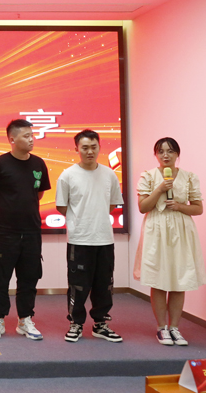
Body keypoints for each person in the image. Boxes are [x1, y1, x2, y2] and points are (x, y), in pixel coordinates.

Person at [134, 137, 205, 346]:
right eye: (161, 151)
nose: (165, 155)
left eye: (170, 151)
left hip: (181, 230)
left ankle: (175, 327)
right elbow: (143, 207)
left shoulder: (189, 177)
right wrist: (159, 189)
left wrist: (180, 206)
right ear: (156, 154)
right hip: (156, 229)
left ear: (177, 154)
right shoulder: (148, 176)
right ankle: (161, 328)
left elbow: (198, 208)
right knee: (159, 279)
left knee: (179, 279)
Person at [0, 119, 50, 341]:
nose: (31, 139)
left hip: (31, 230)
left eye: (32, 135)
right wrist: (6, 206)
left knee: (29, 277)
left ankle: (25, 319)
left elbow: (38, 193)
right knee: (0, 277)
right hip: (4, 231)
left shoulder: (39, 164)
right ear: (12, 139)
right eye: (26, 136)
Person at [55, 130, 124, 343]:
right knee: (78, 284)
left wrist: (96, 216)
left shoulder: (109, 174)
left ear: (99, 147)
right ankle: (76, 323)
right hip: (79, 239)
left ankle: (100, 324)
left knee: (104, 284)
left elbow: (112, 204)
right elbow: (62, 206)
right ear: (76, 148)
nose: (90, 151)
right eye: (85, 147)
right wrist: (81, 219)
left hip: (104, 238)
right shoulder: (67, 175)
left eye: (94, 147)